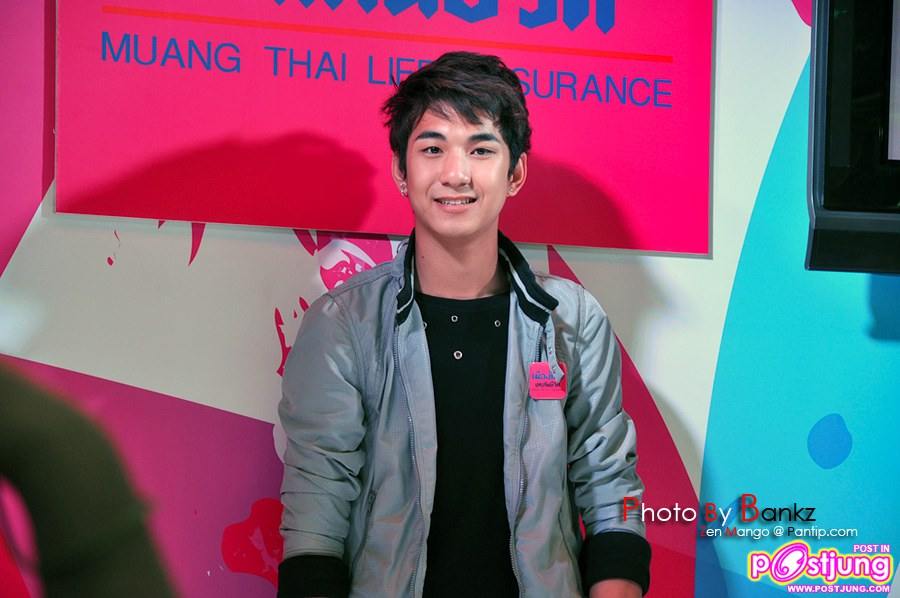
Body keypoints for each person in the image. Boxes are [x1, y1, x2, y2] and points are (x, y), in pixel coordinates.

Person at [277, 51, 650, 598]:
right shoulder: (343, 324)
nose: (456, 174)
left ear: (515, 172)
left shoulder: (571, 319)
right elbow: (316, 505)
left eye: (481, 149)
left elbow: (611, 483)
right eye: (432, 149)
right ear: (401, 171)